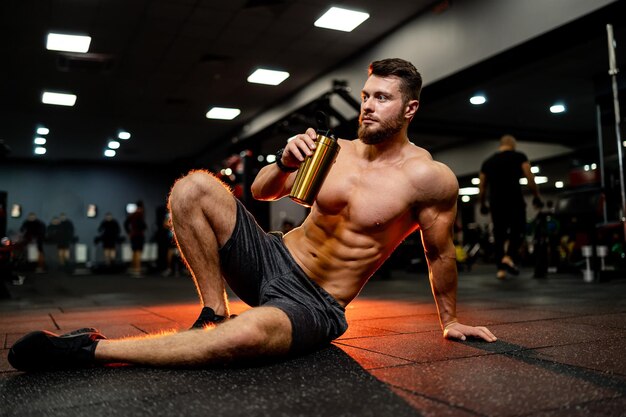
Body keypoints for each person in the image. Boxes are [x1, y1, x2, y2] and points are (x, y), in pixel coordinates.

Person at [8, 58, 496, 372]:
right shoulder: (334, 150)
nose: (367, 107)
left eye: (381, 98)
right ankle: (212, 311)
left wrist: (449, 320)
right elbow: (262, 194)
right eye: (366, 96)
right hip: (273, 257)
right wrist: (283, 161)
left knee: (245, 337)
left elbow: (439, 253)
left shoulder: (430, 178)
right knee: (194, 186)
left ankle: (87, 350)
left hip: (316, 303)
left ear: (409, 109)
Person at [478, 134, 543, 280]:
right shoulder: (519, 156)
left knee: (499, 235)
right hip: (514, 199)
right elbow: (529, 177)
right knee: (518, 230)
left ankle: (500, 269)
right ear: (512, 144)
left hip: (496, 202)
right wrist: (536, 196)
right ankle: (509, 256)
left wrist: (482, 203)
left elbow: (481, 186)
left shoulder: (488, 162)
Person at [124, 201, 147, 276]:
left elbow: (125, 223)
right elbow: (143, 226)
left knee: (134, 252)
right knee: (138, 252)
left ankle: (134, 268)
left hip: (133, 235)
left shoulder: (132, 214)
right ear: (141, 207)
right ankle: (137, 269)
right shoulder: (139, 215)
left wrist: (129, 232)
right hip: (138, 235)